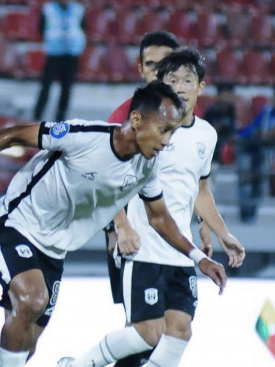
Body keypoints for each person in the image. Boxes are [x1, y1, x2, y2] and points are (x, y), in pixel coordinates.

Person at [0, 81, 227, 367]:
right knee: (32, 299)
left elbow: (159, 218)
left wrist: (199, 258)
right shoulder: (85, 136)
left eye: (173, 133)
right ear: (136, 120)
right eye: (164, 130)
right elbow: (13, 136)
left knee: (25, 345)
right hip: (17, 225)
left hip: (55, 251)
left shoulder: (146, 167)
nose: (167, 141)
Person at [58, 48, 246, 367]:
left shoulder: (207, 135)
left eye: (189, 79)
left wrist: (221, 231)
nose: (182, 86)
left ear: (201, 87)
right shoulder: (146, 127)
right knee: (147, 334)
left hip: (180, 249)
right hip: (144, 247)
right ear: (164, 84)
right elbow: (109, 177)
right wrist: (121, 225)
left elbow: (200, 190)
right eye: (174, 79)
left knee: (180, 331)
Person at [104, 30, 181, 367]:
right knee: (141, 331)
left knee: (164, 332)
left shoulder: (182, 119)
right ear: (140, 68)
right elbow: (105, 179)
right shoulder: (123, 117)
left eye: (164, 65)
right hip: (133, 236)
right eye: (151, 64)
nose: (156, 71)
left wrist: (205, 226)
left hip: (169, 242)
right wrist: (118, 227)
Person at [236, 86, 275, 223]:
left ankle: (252, 215)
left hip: (264, 151)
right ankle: (244, 214)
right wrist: (273, 134)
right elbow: (263, 134)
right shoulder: (268, 111)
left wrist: (273, 134)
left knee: (260, 183)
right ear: (274, 100)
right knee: (245, 180)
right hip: (247, 147)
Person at [33, 0, 86, 122]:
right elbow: (41, 29)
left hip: (71, 54)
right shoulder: (48, 9)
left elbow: (82, 28)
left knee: (66, 89)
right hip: (54, 53)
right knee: (46, 86)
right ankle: (37, 115)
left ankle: (60, 119)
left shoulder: (78, 9)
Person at [203, 83, 237, 164]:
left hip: (228, 143)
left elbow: (233, 127)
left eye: (228, 95)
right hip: (214, 144)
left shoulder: (232, 110)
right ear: (218, 96)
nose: (226, 98)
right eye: (224, 95)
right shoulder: (211, 111)